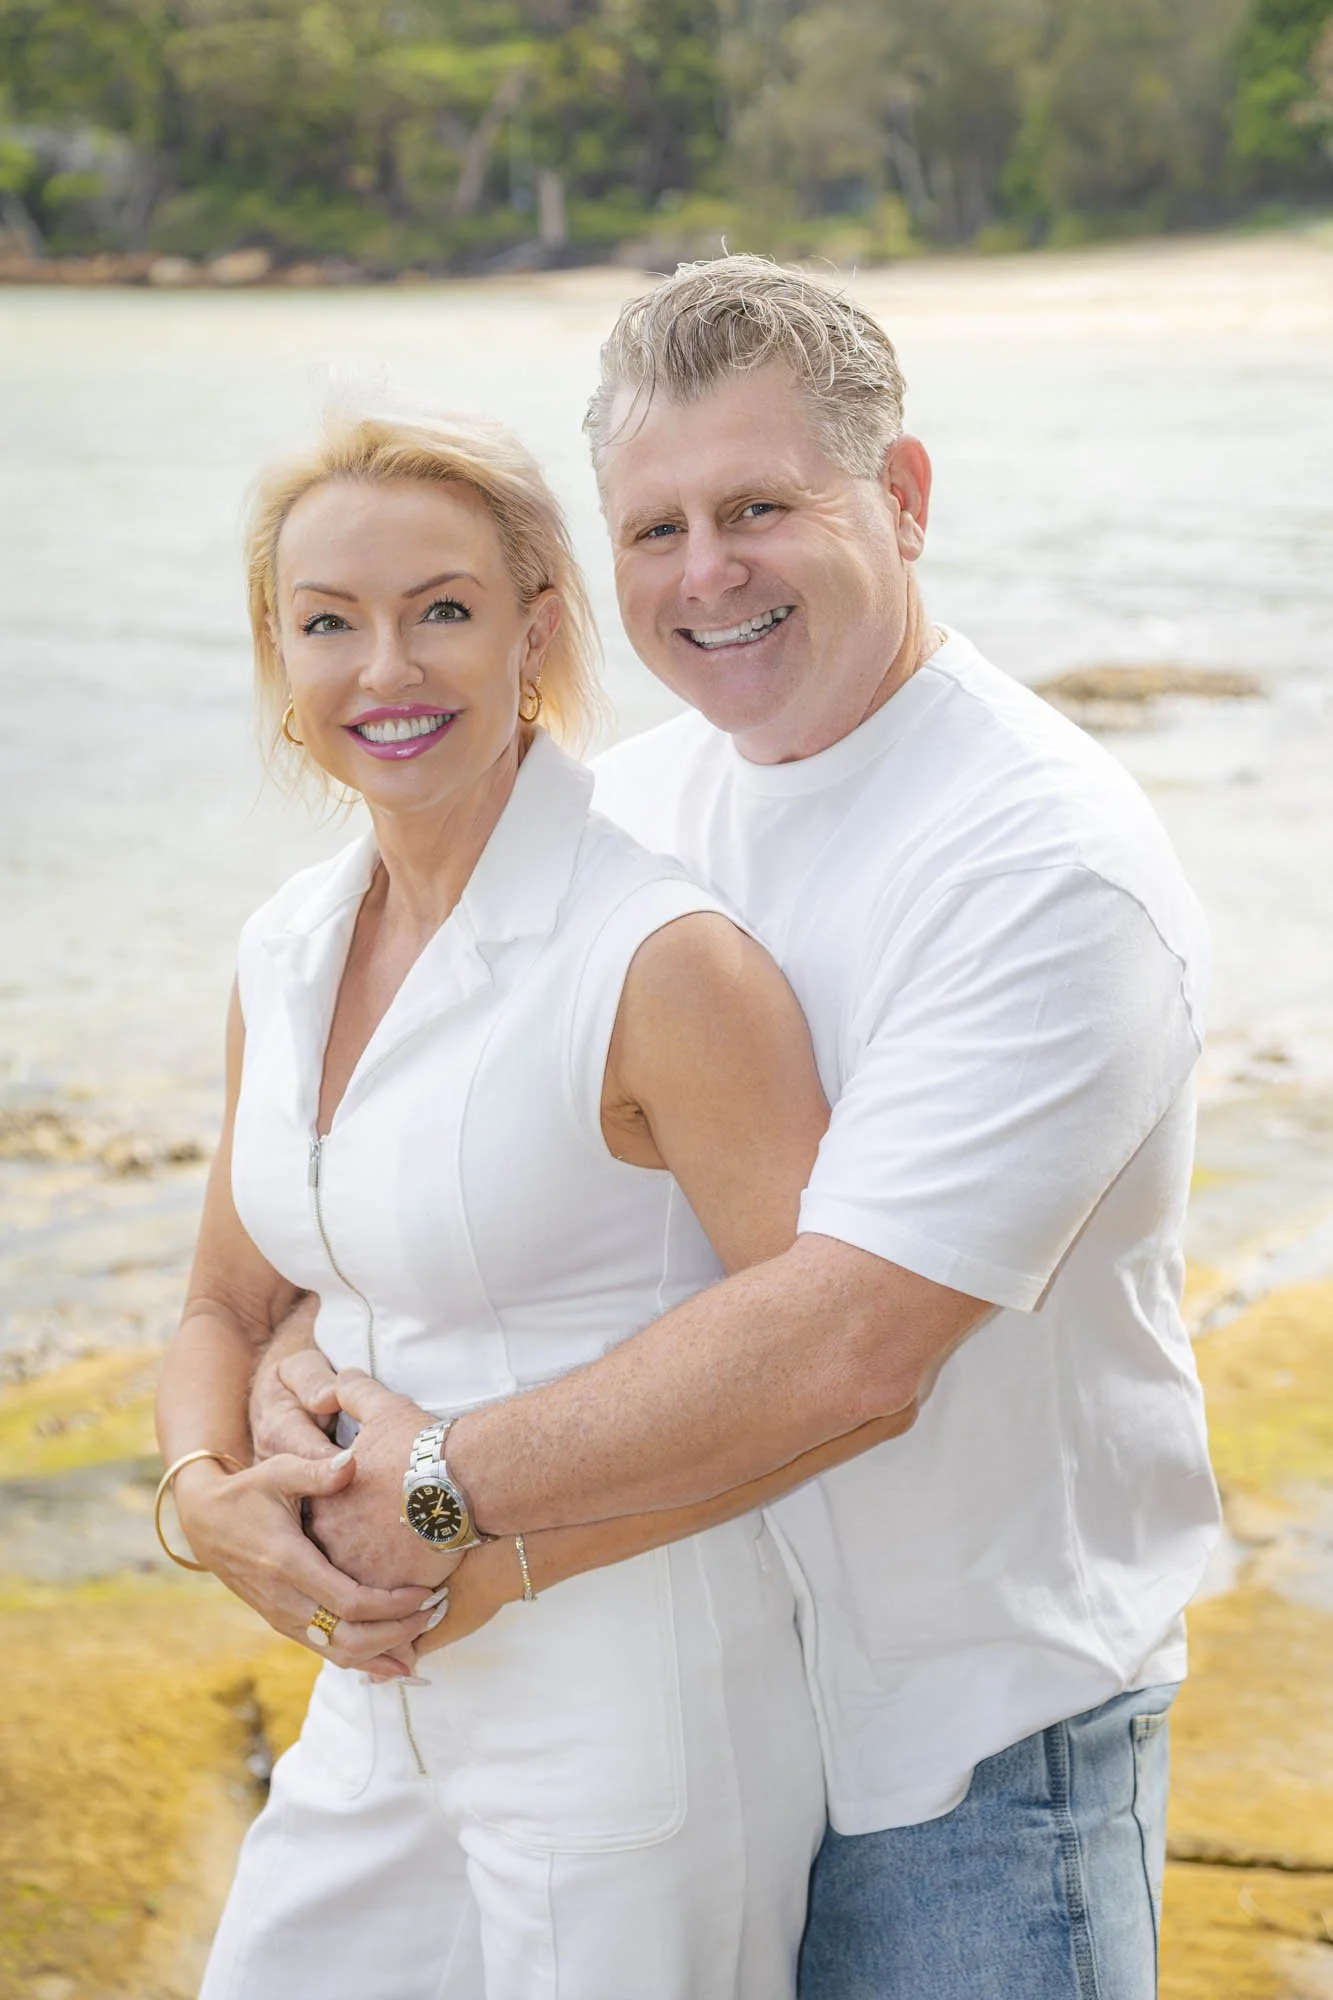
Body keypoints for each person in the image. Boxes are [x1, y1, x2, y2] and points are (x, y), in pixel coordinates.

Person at [240, 259, 1220, 2000]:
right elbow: (481, 1176)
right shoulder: (655, 795)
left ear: (902, 500)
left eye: (760, 506)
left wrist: (455, 1499)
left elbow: (852, 1344)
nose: (707, 576)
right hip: (717, 1690)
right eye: (657, 526)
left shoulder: (1039, 864)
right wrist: (269, 1403)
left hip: (973, 1755)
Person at [154, 408, 921, 1999]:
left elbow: (832, 1384)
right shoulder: (287, 950)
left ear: (534, 634)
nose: (387, 670)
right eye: (329, 624)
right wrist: (203, 1495)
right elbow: (225, 1304)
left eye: (442, 609)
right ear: (278, 663)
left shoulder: (662, 962)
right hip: (379, 1698)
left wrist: (483, 1558)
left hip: (633, 1709)